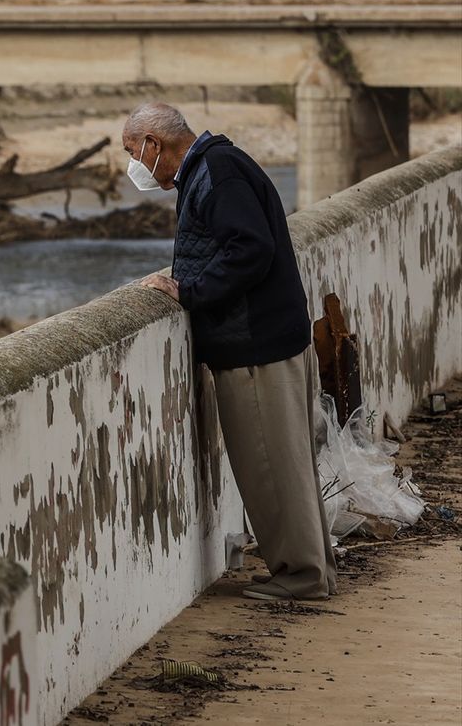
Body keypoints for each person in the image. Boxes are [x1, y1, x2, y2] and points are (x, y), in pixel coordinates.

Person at [125, 101, 336, 602]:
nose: (133, 163)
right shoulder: (215, 167)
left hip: (255, 346)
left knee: (271, 466)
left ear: (155, 145)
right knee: (288, 464)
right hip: (265, 339)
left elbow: (249, 248)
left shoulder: (216, 173)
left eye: (133, 151)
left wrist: (189, 292)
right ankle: (311, 568)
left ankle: (302, 576)